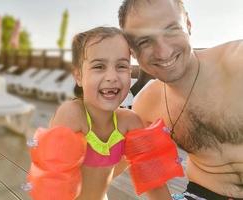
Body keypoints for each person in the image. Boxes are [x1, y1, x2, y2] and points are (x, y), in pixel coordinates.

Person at [25, 27, 184, 200]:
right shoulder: (72, 115)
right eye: (99, 66)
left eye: (121, 66)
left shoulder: (129, 122)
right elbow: (52, 185)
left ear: (130, 72)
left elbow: (154, 184)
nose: (112, 76)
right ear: (78, 75)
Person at [118, 0, 243, 199]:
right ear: (133, 53)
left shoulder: (237, 63)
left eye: (171, 30)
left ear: (189, 26)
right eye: (144, 41)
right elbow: (138, 169)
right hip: (204, 193)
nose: (163, 52)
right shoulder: (146, 106)